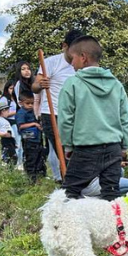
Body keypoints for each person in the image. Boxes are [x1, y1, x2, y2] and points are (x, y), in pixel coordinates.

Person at [58, 35, 128, 201]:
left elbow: (65, 119)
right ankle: (112, 219)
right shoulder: (116, 84)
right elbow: (126, 119)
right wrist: (124, 146)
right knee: (111, 193)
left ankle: (69, 218)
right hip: (113, 147)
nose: (71, 63)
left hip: (85, 148)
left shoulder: (72, 84)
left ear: (83, 57)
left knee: (69, 193)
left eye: (72, 58)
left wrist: (68, 146)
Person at [32, 29, 84, 182]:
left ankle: (78, 184)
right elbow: (34, 87)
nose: (76, 55)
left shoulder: (82, 64)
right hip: (52, 114)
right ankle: (69, 186)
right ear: (64, 46)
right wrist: (40, 84)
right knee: (64, 154)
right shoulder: (50, 62)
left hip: (76, 115)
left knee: (79, 153)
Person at [16, 92, 46, 183]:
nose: (30, 105)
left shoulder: (32, 111)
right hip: (28, 139)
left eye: (32, 103)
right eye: (27, 103)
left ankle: (39, 175)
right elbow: (20, 126)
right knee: (31, 158)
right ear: (21, 103)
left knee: (39, 157)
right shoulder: (21, 113)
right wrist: (34, 124)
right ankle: (31, 178)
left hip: (36, 138)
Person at [0, 81, 22, 169]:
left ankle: (19, 162)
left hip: (16, 122)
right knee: (10, 144)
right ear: (7, 89)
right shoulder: (4, 99)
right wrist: (17, 112)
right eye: (11, 88)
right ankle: (9, 161)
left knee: (18, 143)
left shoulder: (15, 98)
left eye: (14, 88)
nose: (13, 90)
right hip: (8, 123)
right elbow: (3, 113)